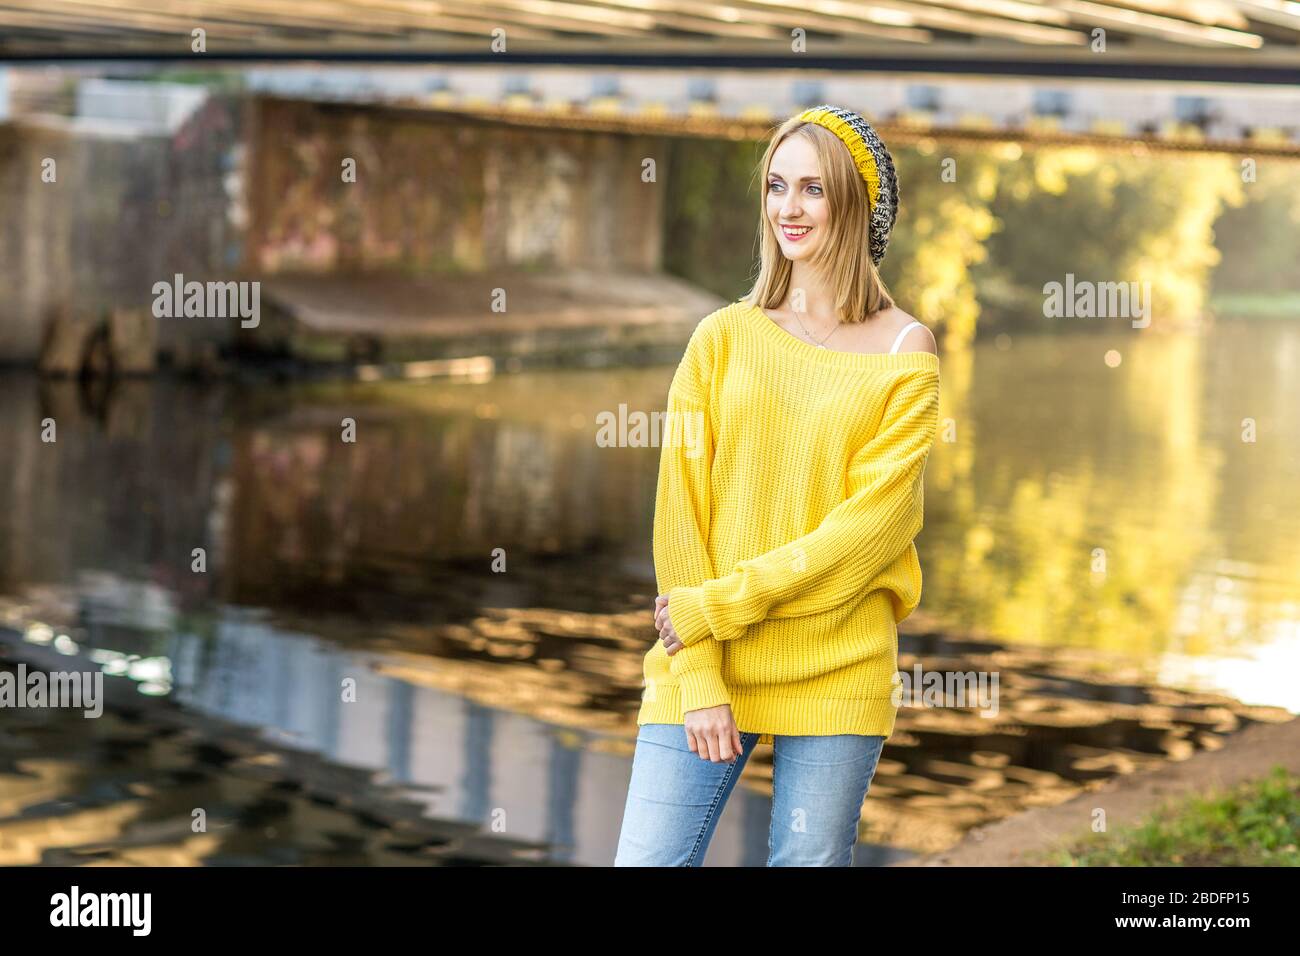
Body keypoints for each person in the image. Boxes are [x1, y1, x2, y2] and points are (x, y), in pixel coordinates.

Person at [614, 105, 940, 866]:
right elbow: (679, 516)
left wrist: (716, 608)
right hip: (703, 656)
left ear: (857, 206)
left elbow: (864, 537)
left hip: (837, 664)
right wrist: (697, 670)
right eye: (776, 185)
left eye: (814, 190)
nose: (789, 208)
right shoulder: (721, 338)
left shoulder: (903, 350)